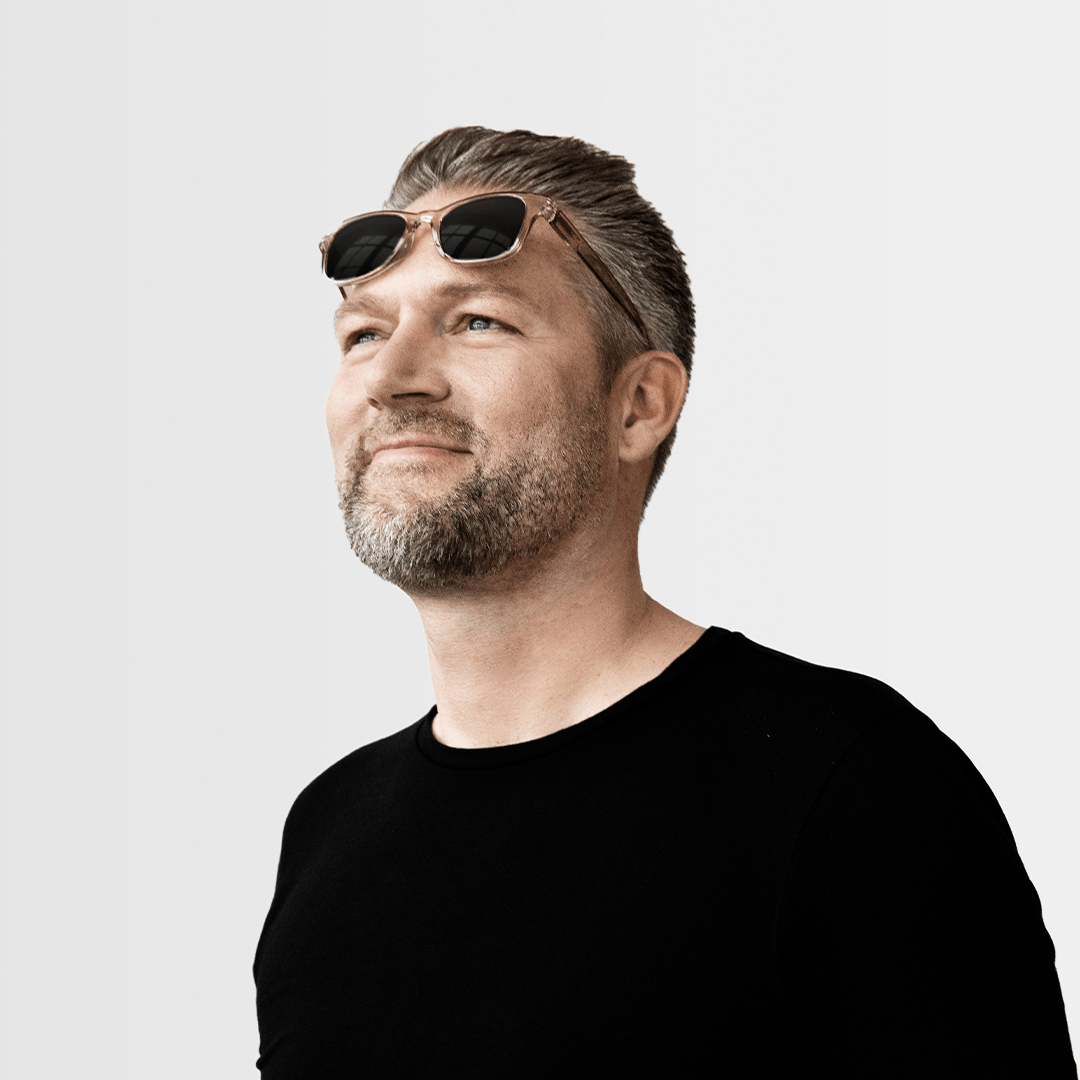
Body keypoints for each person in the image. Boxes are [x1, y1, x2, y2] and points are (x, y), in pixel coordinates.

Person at [253, 126, 1076, 1078]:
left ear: (639, 405)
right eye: (363, 334)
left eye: (478, 321)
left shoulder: (854, 790)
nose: (393, 379)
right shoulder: (329, 832)